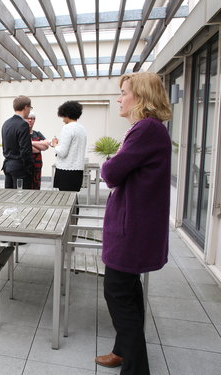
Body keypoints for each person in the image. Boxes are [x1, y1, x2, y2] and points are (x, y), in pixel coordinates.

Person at [95, 72, 172, 374]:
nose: (119, 98)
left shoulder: (145, 130)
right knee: (128, 290)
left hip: (132, 229)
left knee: (117, 293)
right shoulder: (151, 130)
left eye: (124, 92)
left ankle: (136, 368)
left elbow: (112, 173)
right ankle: (122, 351)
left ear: (140, 98)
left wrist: (108, 162)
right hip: (136, 226)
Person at [51, 101, 87, 191]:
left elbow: (62, 153)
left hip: (66, 170)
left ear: (66, 114)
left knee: (65, 200)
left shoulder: (67, 128)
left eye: (63, 116)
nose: (63, 119)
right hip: (78, 170)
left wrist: (55, 145)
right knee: (73, 198)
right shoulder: (82, 129)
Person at [1, 95, 34, 189]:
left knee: (9, 197)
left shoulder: (6, 123)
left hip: (7, 166)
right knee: (21, 198)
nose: (29, 111)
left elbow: (5, 146)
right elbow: (25, 150)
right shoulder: (23, 124)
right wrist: (29, 168)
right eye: (30, 108)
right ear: (25, 107)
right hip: (20, 168)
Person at [26, 112, 49, 190]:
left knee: (36, 186)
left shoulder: (37, 134)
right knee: (27, 186)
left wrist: (31, 142)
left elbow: (46, 145)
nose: (30, 120)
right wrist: (39, 145)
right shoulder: (23, 134)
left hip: (37, 166)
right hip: (26, 165)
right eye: (28, 118)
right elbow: (28, 149)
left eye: (32, 119)